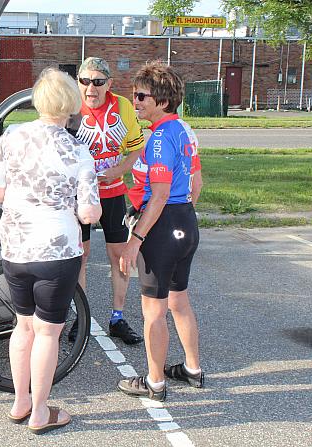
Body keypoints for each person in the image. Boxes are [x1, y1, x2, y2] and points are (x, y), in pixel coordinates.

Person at [0, 67, 101, 434]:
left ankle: (20, 401)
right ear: (70, 104)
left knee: (22, 327)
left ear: (38, 100)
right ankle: (39, 412)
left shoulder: (12, 137)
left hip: (16, 249)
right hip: (57, 251)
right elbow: (87, 212)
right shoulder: (78, 150)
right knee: (48, 333)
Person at [117, 61, 203, 402]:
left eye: (141, 96)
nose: (135, 102)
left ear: (162, 102)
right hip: (186, 222)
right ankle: (192, 369)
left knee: (153, 311)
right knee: (179, 301)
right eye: (134, 95)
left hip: (164, 224)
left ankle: (154, 382)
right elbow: (196, 183)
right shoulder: (183, 129)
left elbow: (161, 193)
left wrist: (134, 241)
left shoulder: (158, 139)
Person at [70, 57, 145, 345]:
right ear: (78, 82)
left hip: (113, 191)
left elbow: (136, 150)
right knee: (81, 256)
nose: (91, 87)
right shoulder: (71, 107)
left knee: (119, 257)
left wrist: (118, 170)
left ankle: (118, 317)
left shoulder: (123, 106)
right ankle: (82, 317)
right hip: (79, 195)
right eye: (85, 81)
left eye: (98, 82)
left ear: (109, 84)